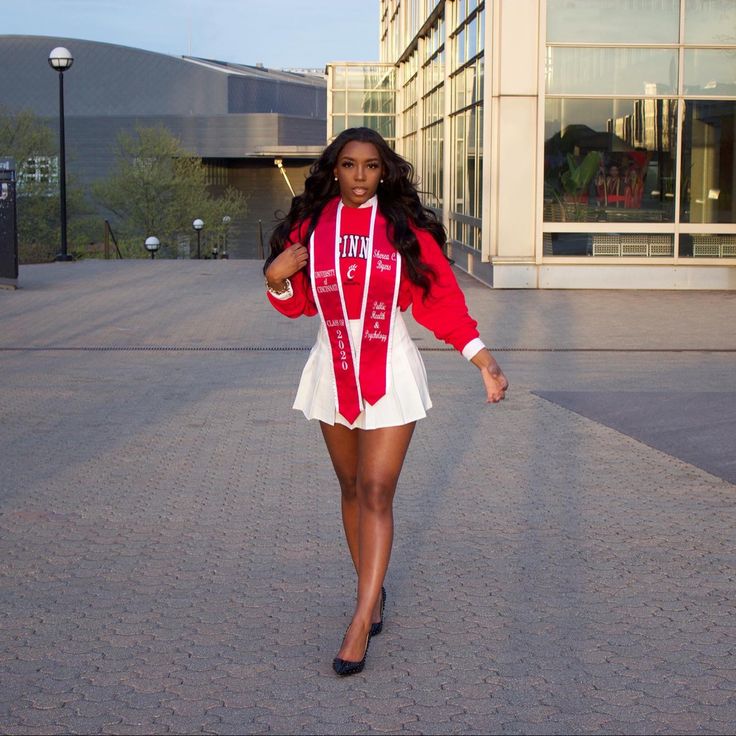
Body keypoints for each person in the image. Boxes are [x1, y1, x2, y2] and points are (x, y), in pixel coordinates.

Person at [263, 127, 508, 676]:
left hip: (388, 367)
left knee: (376, 489)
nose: (358, 177)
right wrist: (276, 278)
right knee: (350, 487)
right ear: (333, 170)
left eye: (370, 167)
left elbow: (440, 300)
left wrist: (483, 359)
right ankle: (371, 591)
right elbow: (297, 301)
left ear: (384, 171)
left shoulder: (403, 229)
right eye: (348, 165)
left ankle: (359, 618)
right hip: (332, 365)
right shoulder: (311, 226)